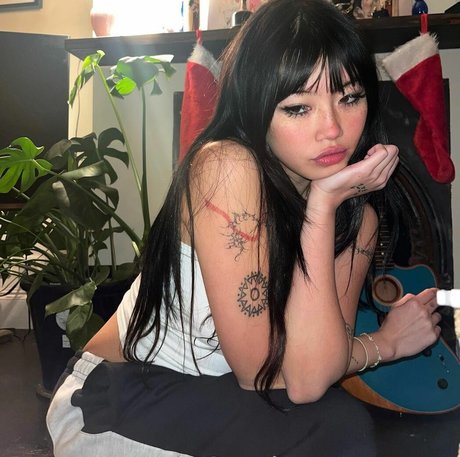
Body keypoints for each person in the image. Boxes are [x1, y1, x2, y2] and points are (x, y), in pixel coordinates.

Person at [47, 0, 442, 455]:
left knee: (333, 421)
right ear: (257, 108)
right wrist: (385, 343)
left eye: (349, 98)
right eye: (298, 108)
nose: (332, 129)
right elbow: (261, 373)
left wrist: (324, 205)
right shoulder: (226, 167)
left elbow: (307, 379)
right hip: (116, 398)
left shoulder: (357, 217)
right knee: (336, 426)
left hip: (214, 399)